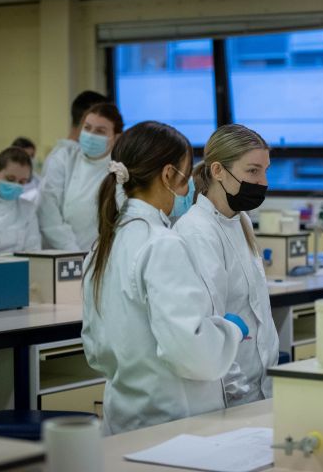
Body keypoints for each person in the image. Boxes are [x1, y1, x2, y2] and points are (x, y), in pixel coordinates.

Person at [81, 121, 245, 435]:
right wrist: (229, 331)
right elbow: (194, 354)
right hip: (174, 421)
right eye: (185, 179)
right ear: (168, 175)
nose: (187, 192)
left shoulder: (105, 243)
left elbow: (95, 348)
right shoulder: (161, 244)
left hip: (125, 416)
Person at [175, 125, 279, 407]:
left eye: (266, 170)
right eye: (253, 171)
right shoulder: (197, 232)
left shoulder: (240, 219)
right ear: (218, 170)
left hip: (259, 386)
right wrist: (237, 389)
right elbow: (210, 324)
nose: (263, 182)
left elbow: (255, 309)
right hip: (231, 394)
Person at [38, 103, 123, 251]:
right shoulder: (64, 158)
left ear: (115, 137)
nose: (91, 135)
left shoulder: (119, 171)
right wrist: (72, 252)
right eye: (87, 128)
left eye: (100, 131)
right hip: (61, 253)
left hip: (103, 256)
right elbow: (48, 211)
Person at [11, 136, 41, 205]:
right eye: (26, 156)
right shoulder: (7, 182)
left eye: (32, 156)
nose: (30, 159)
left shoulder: (39, 181)